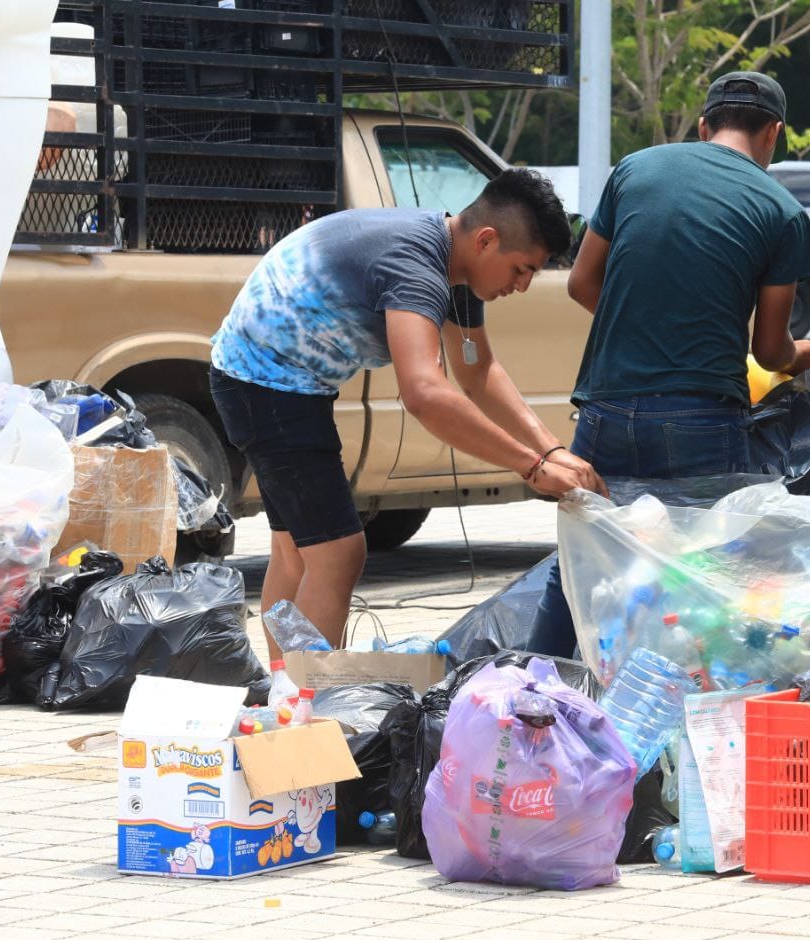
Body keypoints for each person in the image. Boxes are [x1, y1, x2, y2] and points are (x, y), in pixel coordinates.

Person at [209, 168, 606, 658]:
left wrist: (551, 449)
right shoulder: (417, 268)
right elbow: (424, 394)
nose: (521, 286)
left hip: (261, 375)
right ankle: (308, 711)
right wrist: (530, 466)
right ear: (486, 240)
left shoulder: (452, 261)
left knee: (296, 550)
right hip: (268, 383)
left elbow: (477, 370)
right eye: (522, 268)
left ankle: (283, 706)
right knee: (337, 554)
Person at [526, 70, 810, 657]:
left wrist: (641, 327)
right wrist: (803, 355)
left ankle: (530, 705)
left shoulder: (635, 169)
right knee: (705, 587)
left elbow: (583, 284)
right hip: (702, 418)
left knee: (580, 571)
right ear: (774, 134)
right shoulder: (784, 211)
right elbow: (769, 351)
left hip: (605, 406)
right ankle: (688, 729)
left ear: (704, 126)